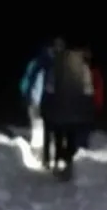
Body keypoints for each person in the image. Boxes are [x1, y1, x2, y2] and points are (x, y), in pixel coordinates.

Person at [42, 47, 96, 181]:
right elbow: (89, 90)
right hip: (76, 112)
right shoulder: (83, 68)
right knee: (72, 139)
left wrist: (48, 106)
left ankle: (57, 163)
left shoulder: (57, 67)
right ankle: (68, 166)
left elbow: (49, 88)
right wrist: (87, 109)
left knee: (59, 138)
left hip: (59, 110)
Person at [19, 37, 65, 168]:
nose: (58, 49)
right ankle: (36, 157)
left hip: (52, 104)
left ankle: (50, 157)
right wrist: (26, 96)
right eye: (56, 46)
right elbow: (27, 80)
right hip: (37, 101)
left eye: (61, 47)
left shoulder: (61, 65)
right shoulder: (39, 63)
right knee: (38, 128)